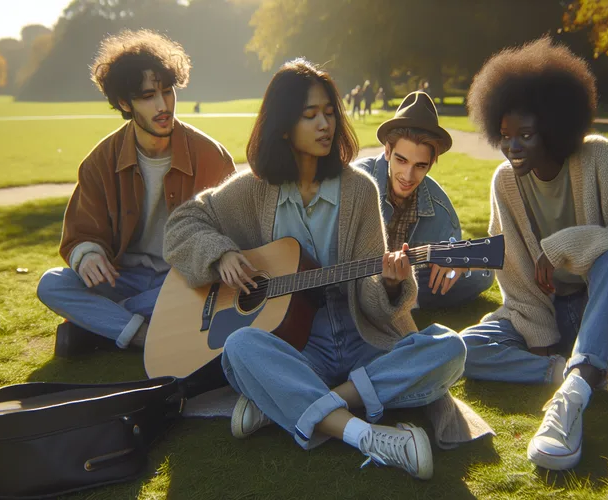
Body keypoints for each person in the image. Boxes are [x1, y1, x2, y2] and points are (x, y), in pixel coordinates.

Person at [163, 58, 468, 480]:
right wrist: (220, 254)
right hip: (297, 345)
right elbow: (181, 225)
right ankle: (368, 436)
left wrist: (393, 286)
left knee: (449, 349)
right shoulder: (254, 189)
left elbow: (375, 302)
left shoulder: (359, 190)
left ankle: (303, 402)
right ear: (284, 126)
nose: (326, 123)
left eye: (329, 112)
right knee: (240, 348)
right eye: (310, 115)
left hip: (358, 331)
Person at [462, 37, 608, 471]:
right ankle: (579, 369)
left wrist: (564, 247)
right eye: (505, 137)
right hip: (550, 313)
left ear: (555, 128)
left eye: (525, 135)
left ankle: (572, 398)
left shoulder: (597, 156)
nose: (513, 148)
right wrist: (541, 340)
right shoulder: (505, 182)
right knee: (462, 349)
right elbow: (513, 270)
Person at [36, 30, 236, 357]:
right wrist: (87, 255)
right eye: (147, 96)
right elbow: (81, 232)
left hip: (181, 280)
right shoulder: (101, 161)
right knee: (52, 284)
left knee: (213, 289)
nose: (162, 105)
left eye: (167, 91)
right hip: (123, 277)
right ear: (124, 103)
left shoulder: (210, 155)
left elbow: (232, 237)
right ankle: (143, 334)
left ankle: (103, 324)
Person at [354, 91, 493, 309]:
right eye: (401, 160)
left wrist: (459, 264)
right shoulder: (358, 182)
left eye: (420, 166)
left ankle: (400, 298)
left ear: (432, 162)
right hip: (354, 275)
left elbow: (476, 268)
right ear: (388, 151)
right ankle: (395, 299)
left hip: (410, 278)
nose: (408, 177)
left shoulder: (440, 208)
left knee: (478, 276)